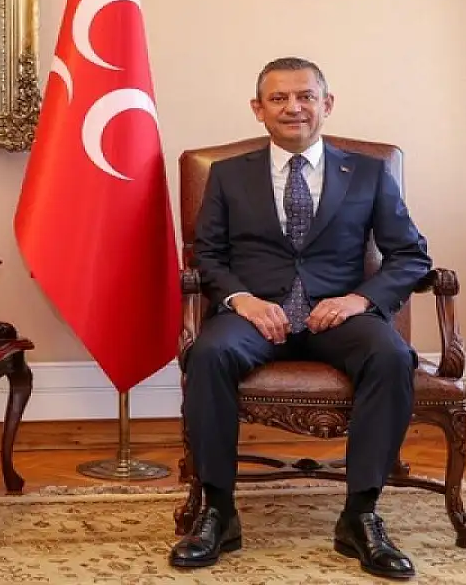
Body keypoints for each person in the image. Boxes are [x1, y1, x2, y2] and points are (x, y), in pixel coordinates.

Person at [169, 57, 430, 580]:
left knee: (391, 354)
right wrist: (240, 298)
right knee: (209, 353)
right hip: (255, 315)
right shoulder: (228, 175)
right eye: (279, 98)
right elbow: (207, 255)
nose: (294, 107)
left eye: (306, 96)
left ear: (326, 104)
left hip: (337, 315)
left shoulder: (368, 173)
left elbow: (411, 256)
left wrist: (360, 300)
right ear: (258, 109)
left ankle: (360, 516)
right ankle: (218, 512)